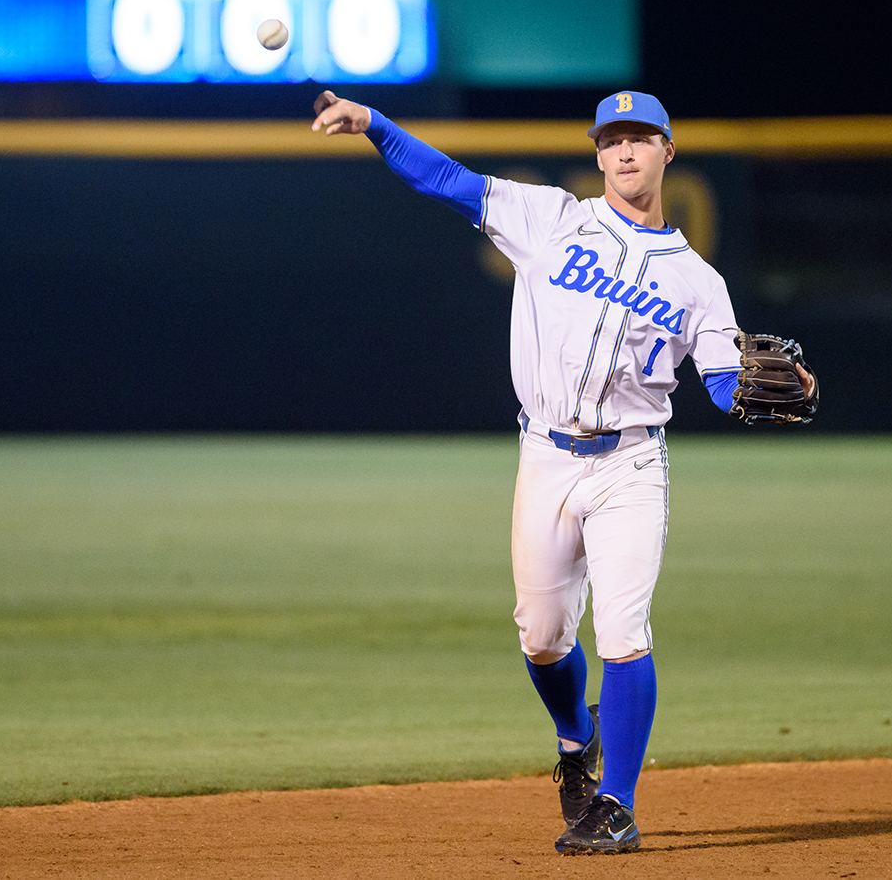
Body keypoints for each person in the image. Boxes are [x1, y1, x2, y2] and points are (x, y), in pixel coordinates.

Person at [312, 89, 816, 854]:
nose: (624, 152)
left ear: (666, 152)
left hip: (632, 465)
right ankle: (576, 739)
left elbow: (721, 380)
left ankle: (616, 803)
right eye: (611, 139)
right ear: (597, 152)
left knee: (622, 633)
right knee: (543, 637)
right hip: (545, 456)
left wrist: (763, 389)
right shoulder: (551, 219)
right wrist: (376, 126)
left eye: (640, 138)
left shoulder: (698, 281)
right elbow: (447, 181)